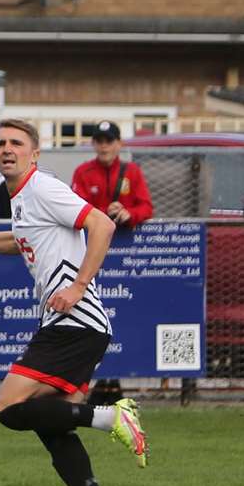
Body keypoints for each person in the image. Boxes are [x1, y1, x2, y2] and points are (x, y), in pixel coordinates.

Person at [0, 118, 147, 486]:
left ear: (35, 153)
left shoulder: (43, 187)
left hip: (75, 321)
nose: (6, 148)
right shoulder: (22, 198)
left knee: (10, 407)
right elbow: (18, 241)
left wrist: (80, 285)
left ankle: (111, 417)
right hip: (73, 324)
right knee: (48, 419)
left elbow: (101, 223)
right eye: (0, 143)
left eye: (16, 142)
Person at [69, 121, 154, 405]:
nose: (104, 146)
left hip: (123, 258)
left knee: (121, 316)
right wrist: (100, 214)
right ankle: (88, 380)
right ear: (94, 144)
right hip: (91, 254)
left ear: (119, 144)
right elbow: (74, 207)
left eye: (109, 140)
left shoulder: (132, 172)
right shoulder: (83, 172)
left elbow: (146, 207)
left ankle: (113, 380)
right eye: (99, 140)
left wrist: (129, 214)